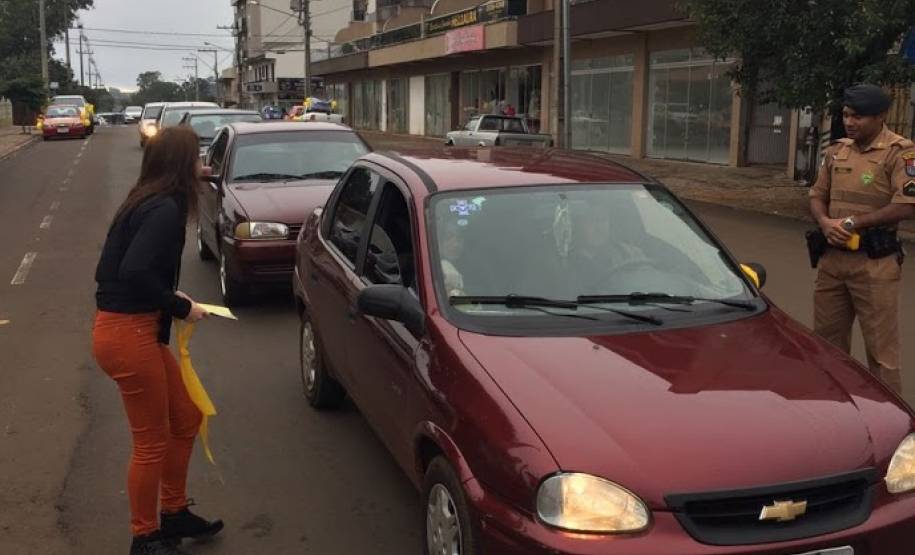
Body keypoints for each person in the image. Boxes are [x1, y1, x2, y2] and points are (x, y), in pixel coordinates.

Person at [92, 125, 223, 555]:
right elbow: (132, 271)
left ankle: (174, 512)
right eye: (197, 156)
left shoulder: (148, 200)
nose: (202, 164)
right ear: (181, 163)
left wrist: (168, 297)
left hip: (134, 329)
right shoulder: (162, 208)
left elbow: (117, 270)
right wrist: (180, 307)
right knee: (151, 442)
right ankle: (145, 536)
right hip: (127, 334)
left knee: (186, 417)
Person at [809, 84, 915, 394]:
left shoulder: (901, 152)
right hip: (832, 262)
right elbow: (817, 195)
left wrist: (854, 223)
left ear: (881, 116)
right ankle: (832, 405)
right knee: (827, 344)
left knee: (882, 353)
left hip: (874, 265)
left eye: (858, 116)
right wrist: (825, 222)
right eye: (846, 115)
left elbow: (907, 205)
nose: (849, 122)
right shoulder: (836, 151)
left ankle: (887, 414)